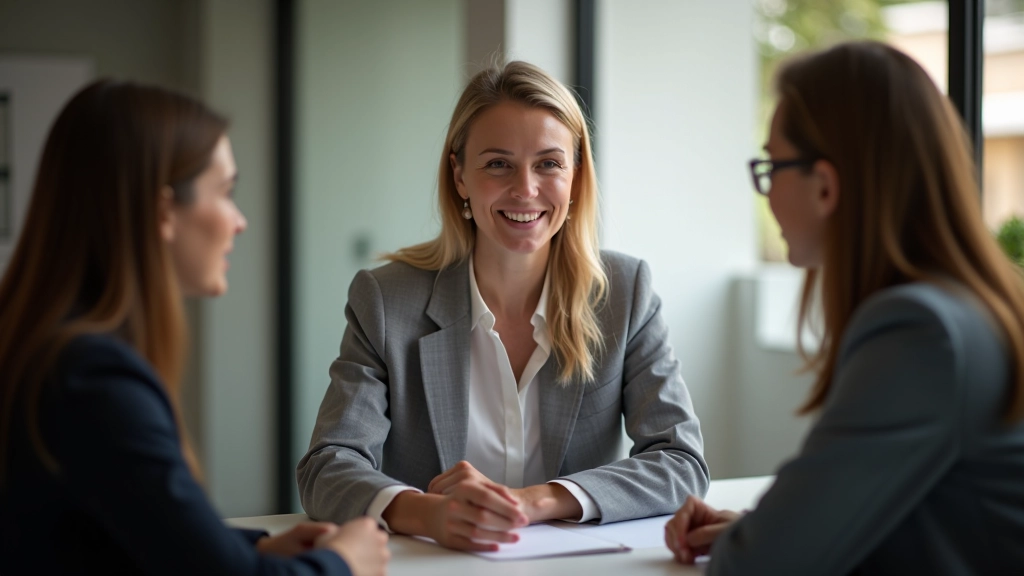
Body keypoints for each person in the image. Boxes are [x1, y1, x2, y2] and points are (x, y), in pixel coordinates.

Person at [297, 61, 709, 551]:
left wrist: (537, 501)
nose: (526, 189)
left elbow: (681, 462)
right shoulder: (387, 300)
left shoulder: (625, 291)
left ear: (576, 177)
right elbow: (327, 466)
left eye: (549, 164)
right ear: (460, 176)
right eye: (498, 164)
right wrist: (431, 513)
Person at [0, 80, 389, 576]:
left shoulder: (52, 351)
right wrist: (343, 562)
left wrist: (256, 548)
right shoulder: (92, 378)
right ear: (163, 212)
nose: (240, 221)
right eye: (226, 192)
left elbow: (118, 530)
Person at [664, 41, 1024, 575]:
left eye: (772, 166)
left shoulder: (919, 333)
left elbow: (763, 565)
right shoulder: (978, 305)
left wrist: (761, 537)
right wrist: (755, 528)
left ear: (826, 186)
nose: (766, 191)